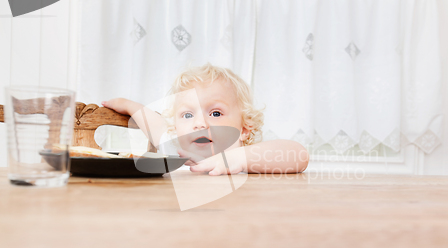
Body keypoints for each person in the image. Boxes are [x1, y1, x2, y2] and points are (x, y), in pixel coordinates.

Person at [102, 64, 309, 176]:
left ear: (244, 129)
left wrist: (238, 159)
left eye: (216, 113)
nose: (200, 124)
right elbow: (154, 125)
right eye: (188, 115)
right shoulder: (177, 151)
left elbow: (298, 154)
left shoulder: (245, 156)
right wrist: (128, 105)